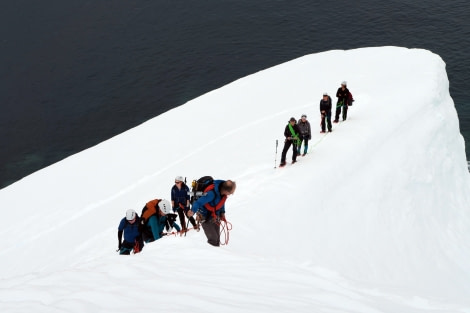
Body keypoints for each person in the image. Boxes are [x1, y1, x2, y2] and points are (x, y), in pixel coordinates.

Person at [188, 180, 236, 246]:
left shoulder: (222, 194)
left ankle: (216, 254)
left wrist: (222, 212)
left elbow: (221, 203)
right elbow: (198, 202)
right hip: (205, 217)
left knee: (217, 240)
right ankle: (210, 254)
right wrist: (192, 211)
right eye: (230, 193)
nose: (230, 194)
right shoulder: (211, 194)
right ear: (226, 191)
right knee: (213, 240)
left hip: (215, 217)